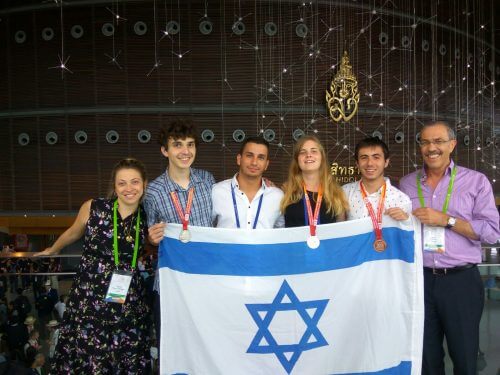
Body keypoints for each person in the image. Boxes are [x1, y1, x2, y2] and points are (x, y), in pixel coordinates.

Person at [399, 121, 500, 375]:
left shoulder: (476, 181)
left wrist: (448, 220)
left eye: (438, 141)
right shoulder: (406, 184)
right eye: (425, 142)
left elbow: (492, 232)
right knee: (426, 358)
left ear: (452, 145)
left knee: (465, 357)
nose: (431, 148)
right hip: (419, 281)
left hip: (460, 281)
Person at [34, 158, 151, 374]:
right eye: (122, 183)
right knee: (89, 353)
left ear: (144, 184)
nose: (129, 188)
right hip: (90, 296)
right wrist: (53, 249)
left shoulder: (147, 216)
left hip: (127, 298)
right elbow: (73, 231)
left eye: (135, 182)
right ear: (114, 187)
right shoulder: (94, 207)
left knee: (123, 351)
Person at [143, 119, 215, 344]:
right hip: (171, 284)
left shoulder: (207, 181)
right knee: (172, 345)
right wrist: (151, 240)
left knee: (208, 343)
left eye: (190, 144)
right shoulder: (153, 192)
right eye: (178, 145)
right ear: (165, 150)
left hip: (206, 279)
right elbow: (148, 240)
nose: (186, 151)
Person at [342, 138, 411, 249]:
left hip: (386, 261)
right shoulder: (344, 193)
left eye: (376, 157)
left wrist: (406, 221)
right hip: (354, 262)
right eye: (364, 158)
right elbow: (338, 231)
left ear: (386, 162)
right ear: (357, 163)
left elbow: (407, 239)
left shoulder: (402, 199)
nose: (370, 163)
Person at [280, 135, 349, 243]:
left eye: (314, 151)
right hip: (294, 256)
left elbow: (342, 233)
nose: (308, 155)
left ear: (322, 157)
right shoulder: (285, 192)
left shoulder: (336, 193)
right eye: (303, 152)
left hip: (328, 257)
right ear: (297, 159)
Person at [212, 137, 284, 229]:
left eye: (261, 158)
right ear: (239, 159)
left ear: (266, 164)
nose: (254, 162)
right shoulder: (217, 191)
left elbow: (281, 233)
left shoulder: (278, 196)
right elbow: (205, 227)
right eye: (249, 155)